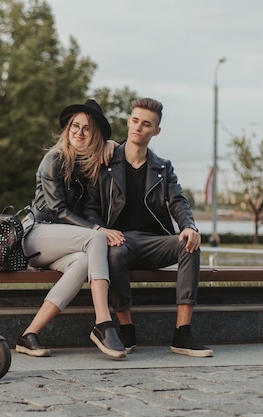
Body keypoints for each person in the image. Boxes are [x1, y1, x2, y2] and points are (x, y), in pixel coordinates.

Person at [85, 97, 213, 357]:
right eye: (134, 121)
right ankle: (126, 330)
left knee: (189, 245)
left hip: (154, 242)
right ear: (128, 121)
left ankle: (182, 334)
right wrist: (101, 231)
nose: (138, 128)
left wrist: (189, 226)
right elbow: (90, 208)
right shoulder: (105, 161)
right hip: (118, 241)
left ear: (156, 131)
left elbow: (178, 201)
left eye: (146, 124)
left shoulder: (163, 167)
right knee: (115, 252)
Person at [16, 99, 126, 359]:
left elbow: (88, 210)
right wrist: (99, 229)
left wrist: (114, 145)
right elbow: (58, 211)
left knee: (81, 261)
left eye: (87, 129)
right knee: (96, 240)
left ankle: (29, 334)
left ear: (95, 135)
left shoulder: (88, 168)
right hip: (35, 235)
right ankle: (103, 322)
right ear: (67, 130)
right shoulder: (53, 160)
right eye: (75, 126)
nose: (79, 132)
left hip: (61, 242)